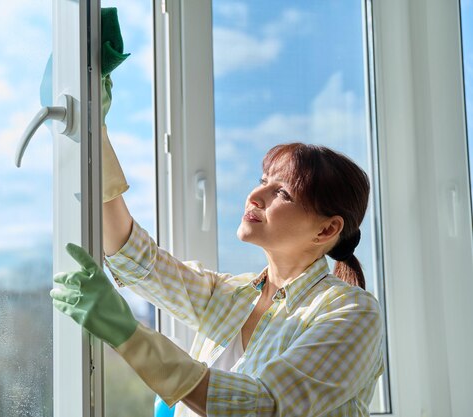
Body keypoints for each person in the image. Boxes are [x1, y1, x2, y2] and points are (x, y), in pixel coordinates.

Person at [50, 13, 384, 416]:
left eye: (282, 192)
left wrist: (130, 336)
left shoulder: (351, 313)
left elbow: (263, 407)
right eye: (262, 180)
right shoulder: (234, 295)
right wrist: (94, 130)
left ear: (327, 229)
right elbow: (137, 259)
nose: (255, 195)